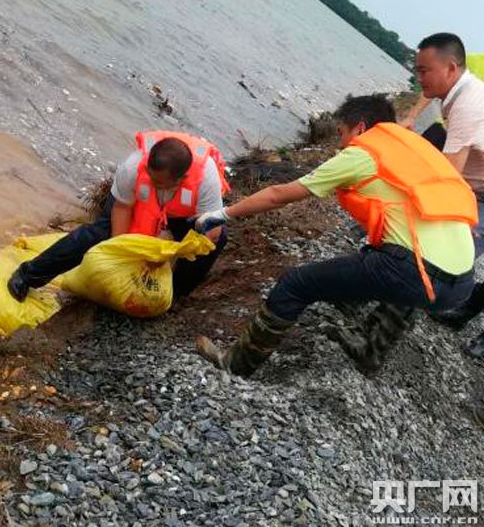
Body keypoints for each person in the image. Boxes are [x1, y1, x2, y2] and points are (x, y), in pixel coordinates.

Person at [194, 95, 477, 378]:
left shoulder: (363, 154)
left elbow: (278, 195)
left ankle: (236, 365)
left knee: (296, 283)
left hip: (417, 276)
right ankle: (369, 351)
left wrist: (222, 214)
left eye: (341, 133)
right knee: (398, 267)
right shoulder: (412, 148)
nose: (340, 144)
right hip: (461, 284)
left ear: (360, 128)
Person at [7, 131, 229, 302]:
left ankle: (174, 297)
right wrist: (120, 251)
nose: (152, 183)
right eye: (150, 177)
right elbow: (122, 207)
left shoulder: (205, 179)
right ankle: (28, 275)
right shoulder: (133, 167)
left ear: (181, 179)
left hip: (183, 215)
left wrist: (171, 252)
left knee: (214, 244)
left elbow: (212, 230)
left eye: (159, 182)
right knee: (98, 233)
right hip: (136, 204)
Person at [409, 34, 484, 357]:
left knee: (440, 256)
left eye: (424, 71)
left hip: (478, 191)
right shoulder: (459, 91)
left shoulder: (469, 103)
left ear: (451, 69)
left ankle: (379, 335)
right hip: (474, 184)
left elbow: (447, 178)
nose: (418, 78)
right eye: (417, 70)